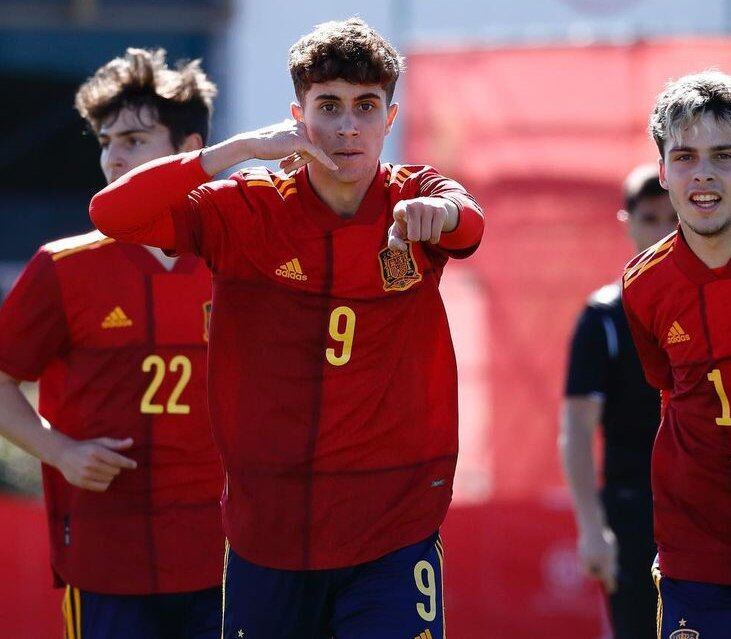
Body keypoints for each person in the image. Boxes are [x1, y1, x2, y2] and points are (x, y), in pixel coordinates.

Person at [90, 18, 484, 639]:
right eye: (328, 106)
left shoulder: (417, 194)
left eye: (365, 107)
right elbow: (111, 212)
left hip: (392, 528)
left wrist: (445, 213)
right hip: (268, 534)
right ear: (297, 115)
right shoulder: (245, 206)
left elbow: (468, 223)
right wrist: (236, 150)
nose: (347, 126)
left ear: (389, 116)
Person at [0, 48, 224, 639]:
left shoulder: (237, 257)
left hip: (228, 554)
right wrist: (59, 450)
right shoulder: (62, 267)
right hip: (105, 556)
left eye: (134, 139)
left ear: (189, 152)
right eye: (106, 141)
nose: (113, 156)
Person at [621, 70, 731, 638]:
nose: (704, 173)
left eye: (724, 154)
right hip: (697, 555)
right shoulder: (643, 286)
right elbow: (668, 387)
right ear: (663, 171)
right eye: (685, 156)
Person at [560, 165, 677, 638]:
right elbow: (576, 429)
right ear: (627, 221)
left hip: (710, 504)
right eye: (651, 217)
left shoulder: (719, 303)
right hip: (635, 513)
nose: (665, 230)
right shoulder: (605, 319)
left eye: (674, 216)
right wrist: (592, 528)